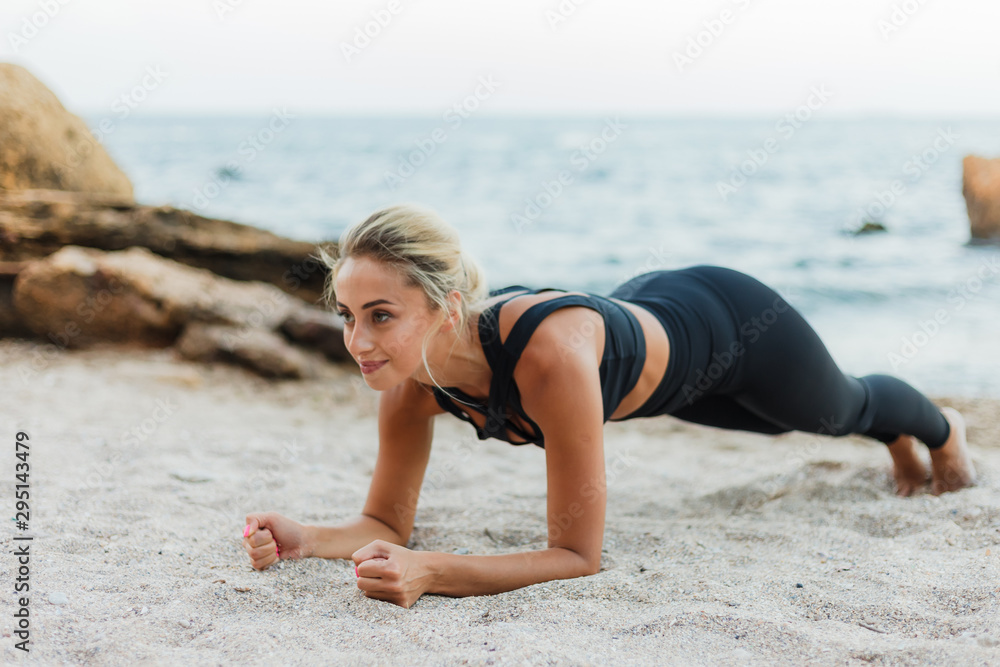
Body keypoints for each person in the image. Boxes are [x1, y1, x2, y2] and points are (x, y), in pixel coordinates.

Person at [242, 204, 976, 608]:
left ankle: (941, 433)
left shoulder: (548, 357)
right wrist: (306, 536)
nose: (357, 341)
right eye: (346, 314)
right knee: (781, 422)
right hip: (663, 381)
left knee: (837, 408)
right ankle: (894, 441)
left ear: (445, 308)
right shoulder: (411, 384)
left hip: (729, 323)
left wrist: (435, 570)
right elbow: (385, 523)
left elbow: (578, 555)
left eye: (379, 315)